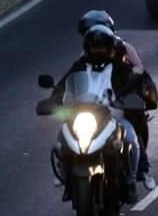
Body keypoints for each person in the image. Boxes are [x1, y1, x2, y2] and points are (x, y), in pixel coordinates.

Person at [52, 25, 147, 204]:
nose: (98, 51)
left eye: (102, 47)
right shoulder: (80, 65)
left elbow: (133, 85)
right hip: (84, 113)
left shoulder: (120, 67)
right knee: (61, 140)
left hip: (113, 114)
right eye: (95, 47)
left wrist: (133, 97)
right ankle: (66, 180)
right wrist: (54, 99)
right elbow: (65, 83)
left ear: (111, 48)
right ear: (88, 48)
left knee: (130, 140)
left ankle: (131, 181)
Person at [76, 10, 156, 190]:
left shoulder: (123, 48)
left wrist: (130, 81)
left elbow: (138, 68)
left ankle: (141, 172)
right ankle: (67, 177)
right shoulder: (86, 53)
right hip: (95, 103)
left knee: (131, 137)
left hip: (119, 101)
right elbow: (75, 72)